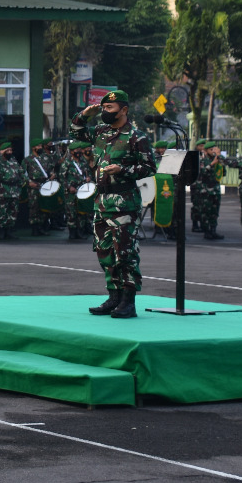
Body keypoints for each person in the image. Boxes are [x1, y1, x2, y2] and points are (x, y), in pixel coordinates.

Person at [71, 89, 156, 319]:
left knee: (125, 253)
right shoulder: (100, 131)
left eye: (110, 108)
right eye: (104, 108)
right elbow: (75, 131)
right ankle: (113, 296)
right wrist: (86, 114)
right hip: (102, 202)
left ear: (124, 110)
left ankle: (128, 301)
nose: (105, 112)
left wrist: (123, 170)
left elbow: (149, 168)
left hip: (124, 203)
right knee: (105, 251)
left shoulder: (136, 137)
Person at [0, 139, 25, 240]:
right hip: (2, 190)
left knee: (13, 211)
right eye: (7, 150)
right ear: (3, 151)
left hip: (14, 191)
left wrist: (24, 182)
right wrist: (0, 154)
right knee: (1, 211)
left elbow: (20, 171)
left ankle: (9, 230)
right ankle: (1, 231)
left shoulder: (13, 159)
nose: (10, 152)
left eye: (11, 150)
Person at [59, 140, 93, 240]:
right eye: (77, 150)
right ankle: (72, 233)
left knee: (80, 212)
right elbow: (62, 177)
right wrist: (69, 187)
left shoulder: (83, 162)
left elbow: (88, 174)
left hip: (81, 190)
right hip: (70, 192)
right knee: (71, 212)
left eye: (79, 150)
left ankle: (79, 231)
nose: (79, 152)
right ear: (72, 151)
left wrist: (88, 178)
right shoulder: (67, 163)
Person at [192, 140, 225, 241]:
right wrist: (212, 164)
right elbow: (201, 173)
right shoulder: (202, 161)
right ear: (206, 151)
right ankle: (207, 231)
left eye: (215, 149)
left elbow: (223, 172)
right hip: (205, 190)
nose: (214, 151)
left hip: (215, 189)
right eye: (211, 149)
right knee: (205, 211)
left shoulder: (218, 160)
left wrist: (219, 158)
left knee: (215, 212)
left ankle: (213, 230)